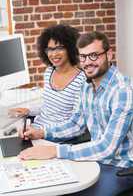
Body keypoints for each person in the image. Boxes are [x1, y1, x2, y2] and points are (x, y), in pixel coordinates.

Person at [18, 31, 133, 196]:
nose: (87, 62)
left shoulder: (122, 91)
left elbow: (106, 148)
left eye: (94, 56)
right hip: (95, 159)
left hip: (120, 166)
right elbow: (75, 125)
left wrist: (55, 151)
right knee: (50, 186)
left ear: (109, 54)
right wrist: (42, 132)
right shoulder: (86, 86)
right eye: (83, 57)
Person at [9, 24, 87, 142]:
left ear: (70, 49)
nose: (53, 54)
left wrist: (42, 133)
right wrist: (28, 110)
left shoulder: (82, 81)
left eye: (59, 48)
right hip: (36, 131)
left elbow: (77, 126)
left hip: (56, 139)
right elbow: (49, 106)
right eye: (50, 49)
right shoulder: (49, 72)